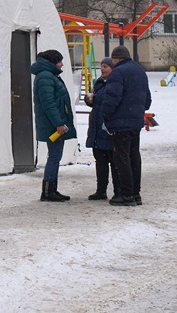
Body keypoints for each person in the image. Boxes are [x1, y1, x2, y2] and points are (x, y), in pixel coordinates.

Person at [100, 45, 151, 207]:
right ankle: (136, 194)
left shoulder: (118, 73)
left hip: (120, 123)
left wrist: (105, 114)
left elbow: (112, 98)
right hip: (135, 122)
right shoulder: (140, 71)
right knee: (134, 156)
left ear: (116, 59)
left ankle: (126, 194)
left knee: (121, 158)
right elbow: (147, 101)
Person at [30, 49, 75, 202]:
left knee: (55, 156)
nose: (62, 64)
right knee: (54, 157)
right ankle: (49, 191)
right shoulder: (46, 77)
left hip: (52, 123)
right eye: (59, 61)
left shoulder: (47, 76)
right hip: (53, 125)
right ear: (52, 62)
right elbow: (48, 103)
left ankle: (50, 189)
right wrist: (59, 123)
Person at [83, 57, 114, 200]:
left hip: (108, 128)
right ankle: (101, 190)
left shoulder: (114, 84)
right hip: (97, 127)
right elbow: (98, 104)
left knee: (114, 161)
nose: (102, 69)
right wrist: (90, 100)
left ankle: (118, 190)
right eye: (101, 66)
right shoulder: (99, 84)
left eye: (106, 66)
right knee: (100, 161)